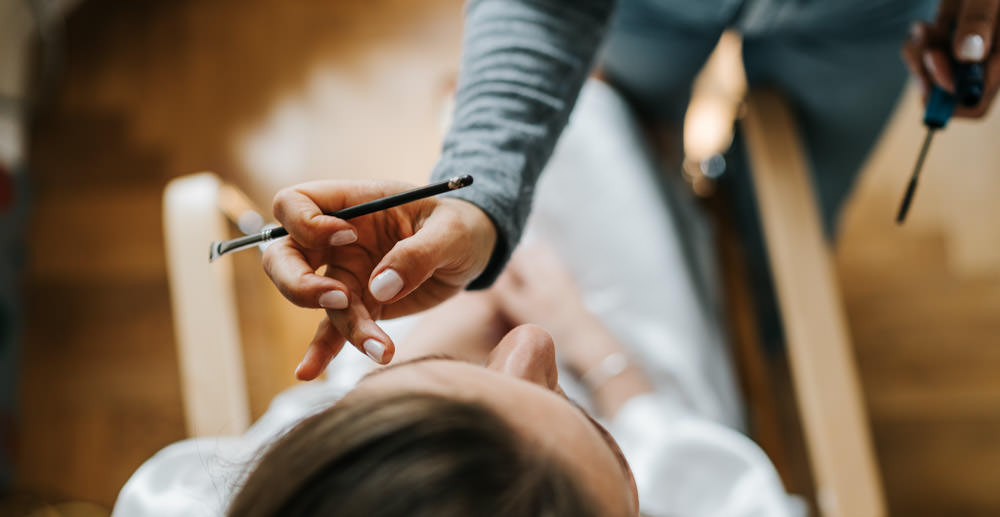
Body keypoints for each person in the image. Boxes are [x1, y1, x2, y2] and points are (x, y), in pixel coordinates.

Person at [94, 81, 820, 517]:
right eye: (604, 448)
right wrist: (598, 351)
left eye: (382, 403)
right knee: (586, 115)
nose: (532, 344)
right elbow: (727, 500)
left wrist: (440, 338)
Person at [262, 0, 999, 372]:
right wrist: (478, 197)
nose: (529, 358)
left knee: (771, 257)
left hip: (865, 22)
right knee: (631, 126)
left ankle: (761, 323)